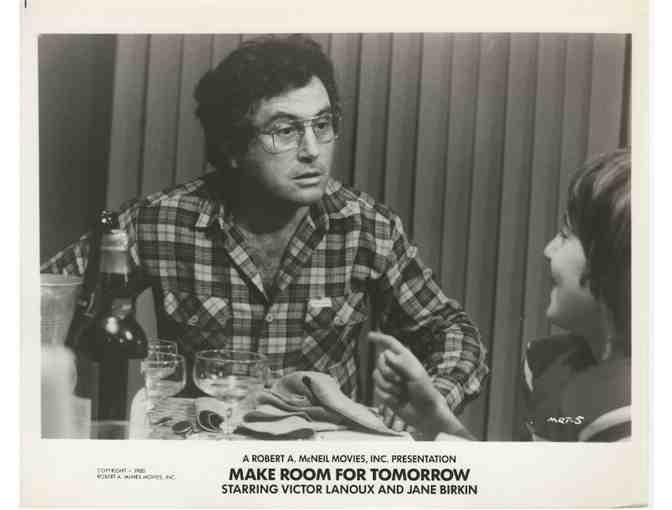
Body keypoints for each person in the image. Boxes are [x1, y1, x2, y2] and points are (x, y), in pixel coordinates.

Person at [42, 35, 488, 410]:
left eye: (322, 124)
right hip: (205, 453)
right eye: (285, 131)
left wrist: (433, 399)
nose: (313, 150)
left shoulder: (367, 228)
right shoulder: (157, 222)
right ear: (232, 147)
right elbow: (40, 301)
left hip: (316, 463)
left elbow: (452, 332)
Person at [371, 149, 631, 441]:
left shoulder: (630, 410)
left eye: (565, 235)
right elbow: (520, 471)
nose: (548, 250)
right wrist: (435, 419)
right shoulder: (544, 366)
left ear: (612, 260)